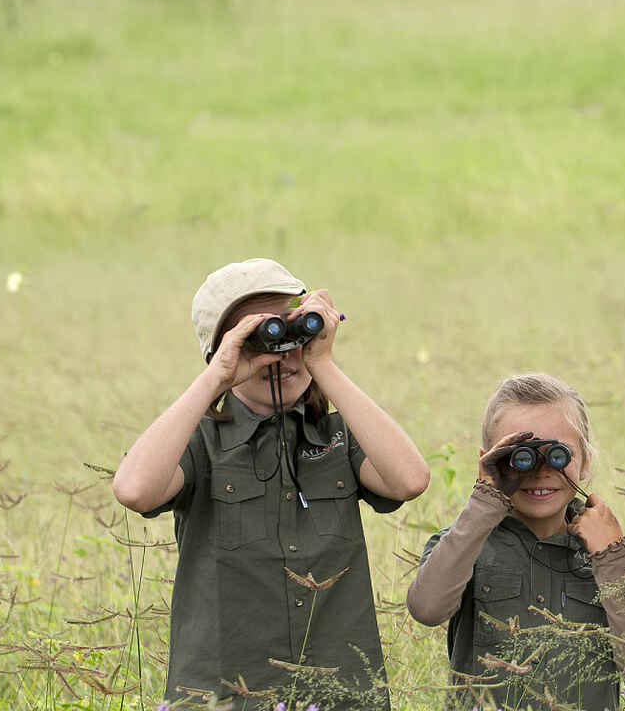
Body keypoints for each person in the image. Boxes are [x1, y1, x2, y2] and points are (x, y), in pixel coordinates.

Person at [112, 258, 430, 710]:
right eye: (257, 339)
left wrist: (323, 364)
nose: (278, 355)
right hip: (225, 694)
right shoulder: (201, 441)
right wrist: (215, 379)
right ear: (222, 350)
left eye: (290, 332)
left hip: (339, 692)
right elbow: (134, 490)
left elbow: (410, 479)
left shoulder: (337, 435)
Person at [407, 373, 625, 710]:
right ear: (487, 461)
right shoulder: (466, 542)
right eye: (519, 456)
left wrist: (610, 558)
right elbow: (427, 609)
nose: (539, 470)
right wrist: (486, 500)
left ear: (586, 461)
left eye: (558, 454)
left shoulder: (615, 554)